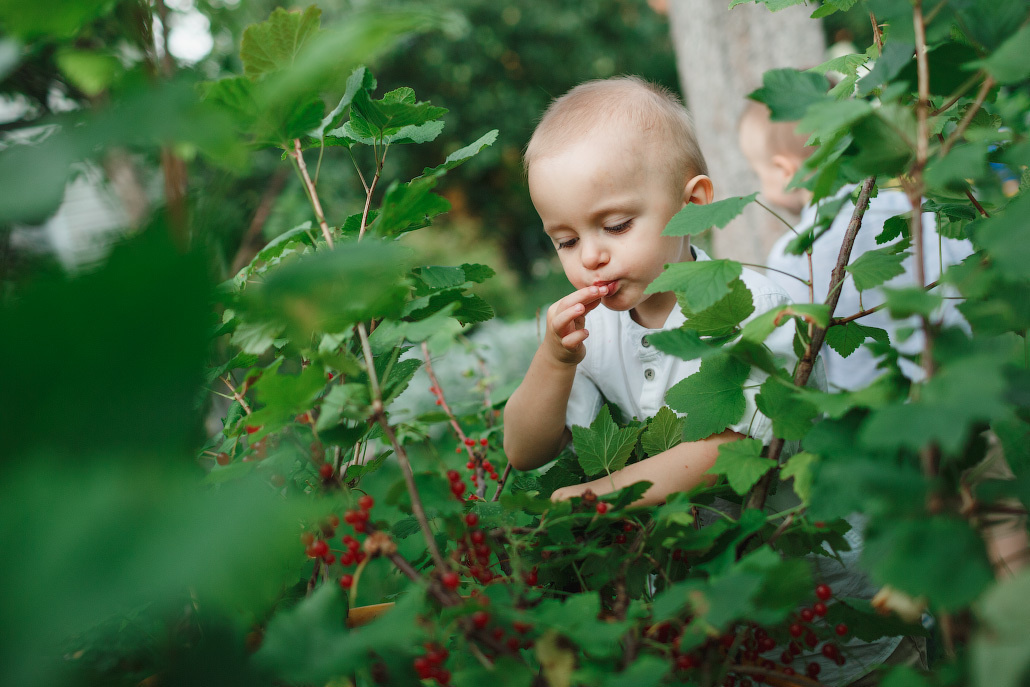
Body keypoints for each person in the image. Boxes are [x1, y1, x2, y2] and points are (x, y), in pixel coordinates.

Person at [503, 76, 798, 507]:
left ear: (693, 206)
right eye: (566, 241)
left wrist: (598, 496)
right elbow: (524, 452)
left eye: (616, 226)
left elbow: (729, 448)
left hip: (787, 560)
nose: (590, 257)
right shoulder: (589, 332)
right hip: (677, 569)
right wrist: (555, 360)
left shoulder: (750, 308)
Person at [737, 99, 972, 390]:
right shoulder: (919, 210)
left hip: (862, 415)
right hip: (957, 388)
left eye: (758, 173)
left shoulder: (792, 256)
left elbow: (800, 358)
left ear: (784, 170)